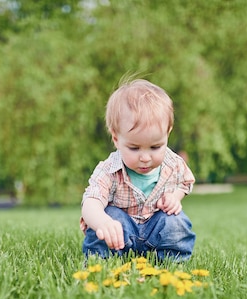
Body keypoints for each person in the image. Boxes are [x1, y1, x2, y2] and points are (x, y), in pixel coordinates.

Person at [80, 78, 196, 261]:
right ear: (116, 138)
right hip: (120, 233)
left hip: (156, 228)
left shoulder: (173, 163)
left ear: (168, 133)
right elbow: (90, 203)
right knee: (106, 220)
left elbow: (185, 183)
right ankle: (101, 262)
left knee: (175, 221)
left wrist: (174, 197)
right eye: (134, 148)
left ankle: (173, 262)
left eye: (155, 147)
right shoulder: (109, 170)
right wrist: (103, 222)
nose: (145, 157)